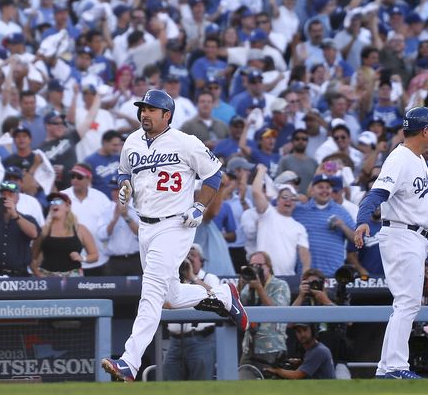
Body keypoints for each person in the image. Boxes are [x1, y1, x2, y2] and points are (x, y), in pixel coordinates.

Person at [101, 90, 247, 382]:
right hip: (145, 226)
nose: (145, 114)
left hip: (175, 224)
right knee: (170, 295)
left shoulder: (185, 142)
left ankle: (129, 362)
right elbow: (123, 172)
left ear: (167, 115)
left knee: (151, 292)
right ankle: (222, 295)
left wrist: (199, 205)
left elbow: (214, 174)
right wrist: (125, 185)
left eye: (152, 110)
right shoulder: (131, 141)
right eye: (142, 108)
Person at [354, 106, 428, 379]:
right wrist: (362, 220)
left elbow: (415, 202)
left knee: (406, 303)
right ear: (425, 130)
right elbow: (376, 194)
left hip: (415, 234)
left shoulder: (417, 158)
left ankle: (386, 368)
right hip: (401, 235)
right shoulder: (400, 157)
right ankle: (395, 367)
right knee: (407, 302)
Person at [162, 245, 218, 381]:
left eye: (193, 254)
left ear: (202, 260)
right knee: (170, 384)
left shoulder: (209, 278)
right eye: (185, 254)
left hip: (201, 340)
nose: (189, 258)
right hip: (175, 341)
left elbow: (216, 297)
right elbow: (164, 303)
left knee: (201, 385)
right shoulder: (173, 280)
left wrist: (192, 277)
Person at [238, 250, 291, 379]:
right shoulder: (247, 287)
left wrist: (259, 288)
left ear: (269, 267)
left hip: (271, 347)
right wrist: (240, 284)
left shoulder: (280, 285)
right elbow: (235, 306)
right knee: (242, 387)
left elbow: (277, 312)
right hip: (249, 348)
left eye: (259, 266)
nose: (255, 269)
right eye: (252, 266)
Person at [31, 192, 98, 276]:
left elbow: (94, 255)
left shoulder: (80, 229)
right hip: (48, 277)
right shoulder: (44, 230)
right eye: (51, 202)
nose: (54, 204)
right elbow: (32, 257)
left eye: (58, 202)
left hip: (73, 278)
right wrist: (38, 274)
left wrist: (82, 258)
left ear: (67, 207)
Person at [264, 323, 336, 379]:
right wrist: (300, 363)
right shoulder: (313, 349)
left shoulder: (318, 351)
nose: (302, 334)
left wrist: (277, 370)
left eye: (305, 330)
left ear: (313, 330)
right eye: (298, 331)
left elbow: (297, 375)